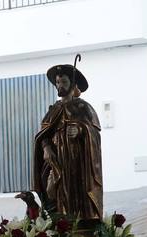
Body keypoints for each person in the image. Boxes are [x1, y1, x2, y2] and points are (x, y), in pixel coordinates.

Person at [32, 64, 103, 221]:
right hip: (57, 158)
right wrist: (46, 148)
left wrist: (81, 130)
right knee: (52, 189)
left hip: (77, 161)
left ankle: (80, 223)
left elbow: (95, 133)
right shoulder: (54, 109)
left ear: (72, 84)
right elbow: (43, 134)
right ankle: (59, 222)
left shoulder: (83, 107)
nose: (60, 86)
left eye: (63, 82)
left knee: (75, 191)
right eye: (57, 82)